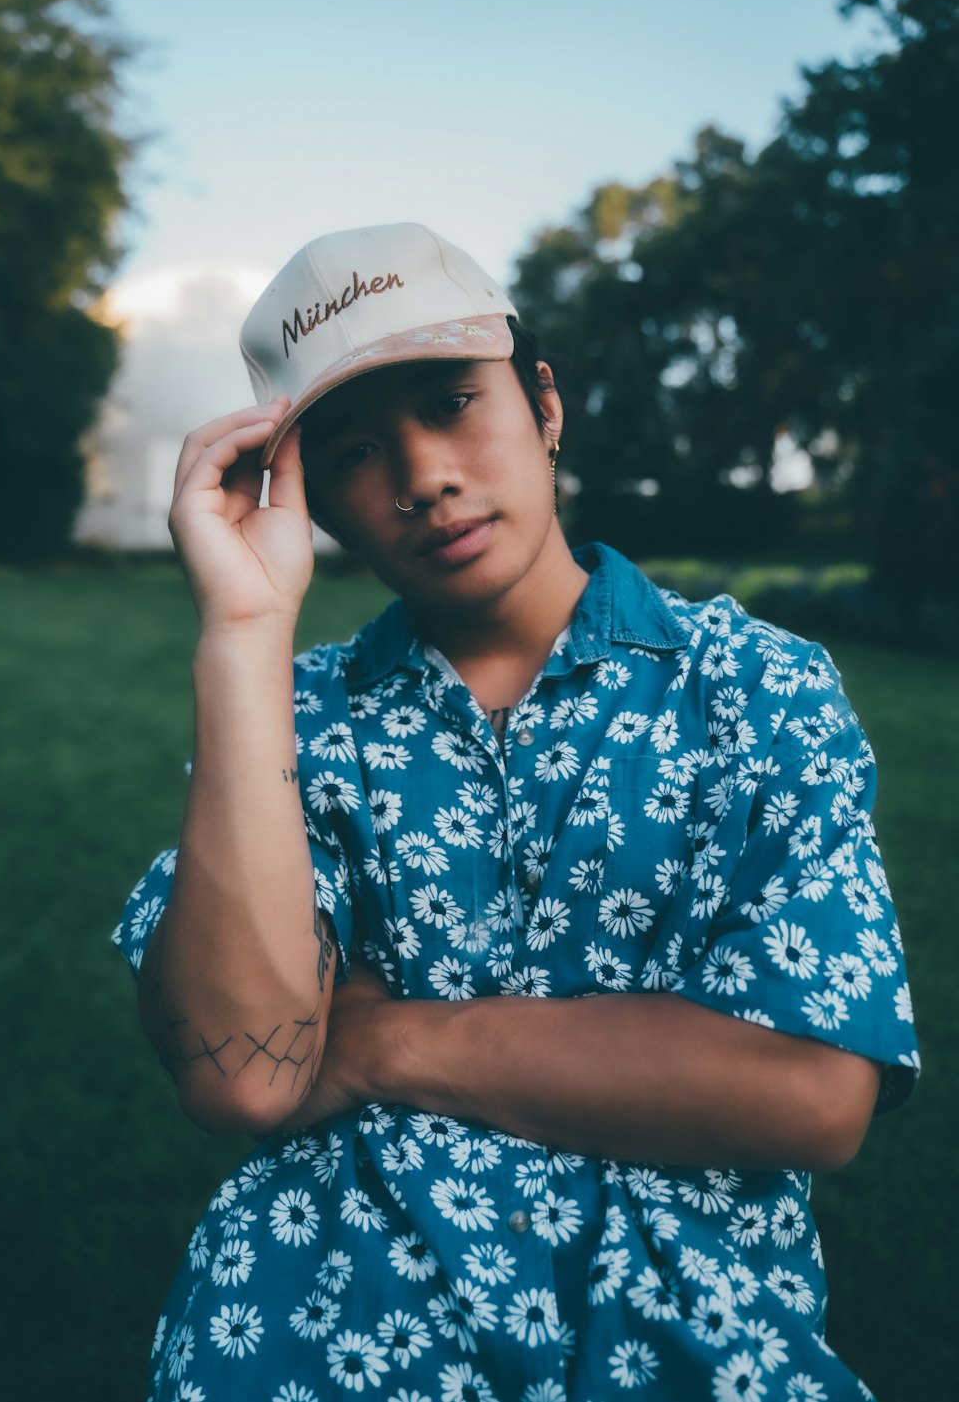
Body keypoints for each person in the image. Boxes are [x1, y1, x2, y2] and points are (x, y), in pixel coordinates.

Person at [115, 222, 919, 1402]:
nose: (424, 475)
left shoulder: (756, 685)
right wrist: (242, 636)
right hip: (324, 1317)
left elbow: (808, 1089)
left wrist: (388, 1041)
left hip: (689, 1329)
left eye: (452, 401)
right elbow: (242, 1076)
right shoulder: (297, 715)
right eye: (352, 452)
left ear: (542, 401)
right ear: (314, 500)